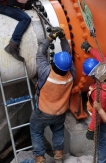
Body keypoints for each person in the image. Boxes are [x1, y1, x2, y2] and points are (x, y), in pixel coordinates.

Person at [29, 28, 75, 163]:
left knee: (36, 131)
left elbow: (40, 54)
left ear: (54, 63)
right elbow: (68, 54)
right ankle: (59, 157)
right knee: (58, 131)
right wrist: (63, 38)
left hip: (43, 112)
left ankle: (39, 158)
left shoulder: (45, 72)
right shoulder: (71, 74)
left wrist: (50, 38)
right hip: (60, 112)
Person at [81, 41, 106, 163]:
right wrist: (90, 49)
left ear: (92, 75)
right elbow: (103, 58)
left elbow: (98, 112)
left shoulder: (101, 92)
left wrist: (91, 129)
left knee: (103, 144)